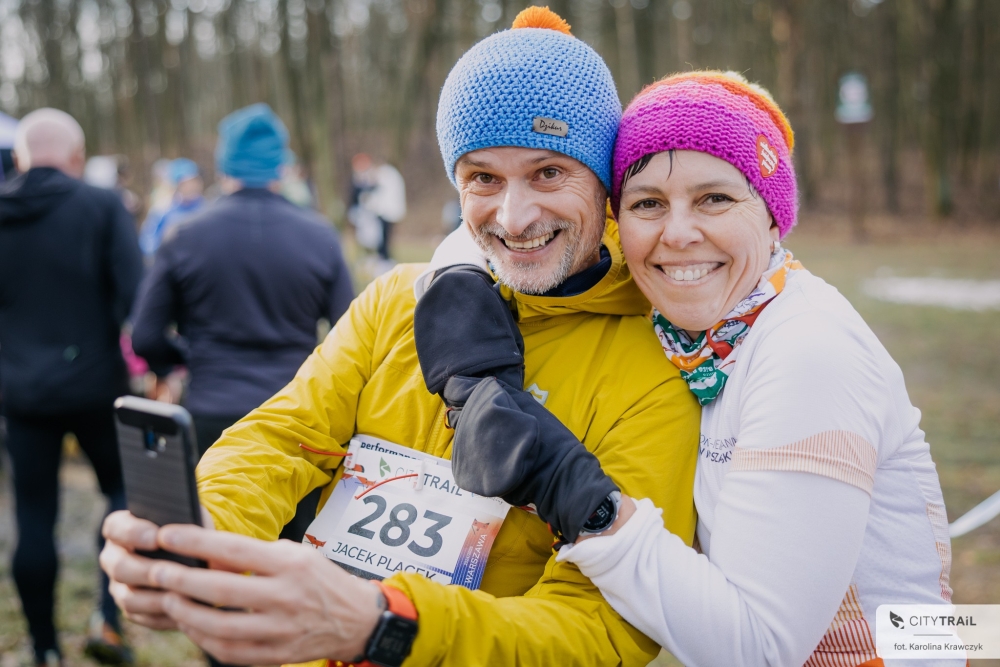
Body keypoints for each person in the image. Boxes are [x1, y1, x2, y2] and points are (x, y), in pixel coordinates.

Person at [100, 9, 700, 667]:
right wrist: (205, 532)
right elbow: (283, 436)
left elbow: (603, 629)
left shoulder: (659, 362)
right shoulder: (397, 299)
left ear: (606, 183)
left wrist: (390, 623)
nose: (514, 216)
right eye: (483, 178)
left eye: (549, 172)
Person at [437, 71, 957, 667]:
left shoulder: (809, 351)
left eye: (715, 198)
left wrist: (579, 497)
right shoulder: (705, 330)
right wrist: (458, 287)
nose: (678, 234)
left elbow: (759, 649)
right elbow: (511, 223)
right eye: (648, 204)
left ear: (770, 216)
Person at [130, 103, 354, 544]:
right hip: (297, 418)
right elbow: (351, 332)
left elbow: (144, 336)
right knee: (292, 556)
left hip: (212, 412)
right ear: (280, 166)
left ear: (224, 163)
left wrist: (189, 357)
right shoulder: (319, 235)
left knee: (216, 555)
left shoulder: (185, 235)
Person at [0, 108, 143, 667]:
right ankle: (108, 619)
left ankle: (44, 649)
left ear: (19, 158)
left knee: (33, 516)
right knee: (122, 494)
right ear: (78, 159)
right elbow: (137, 300)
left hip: (22, 396)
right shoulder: (102, 206)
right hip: (95, 387)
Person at [138, 157, 205, 259]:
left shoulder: (206, 208)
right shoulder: (162, 211)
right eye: (186, 183)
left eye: (194, 181)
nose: (191, 186)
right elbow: (147, 243)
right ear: (177, 185)